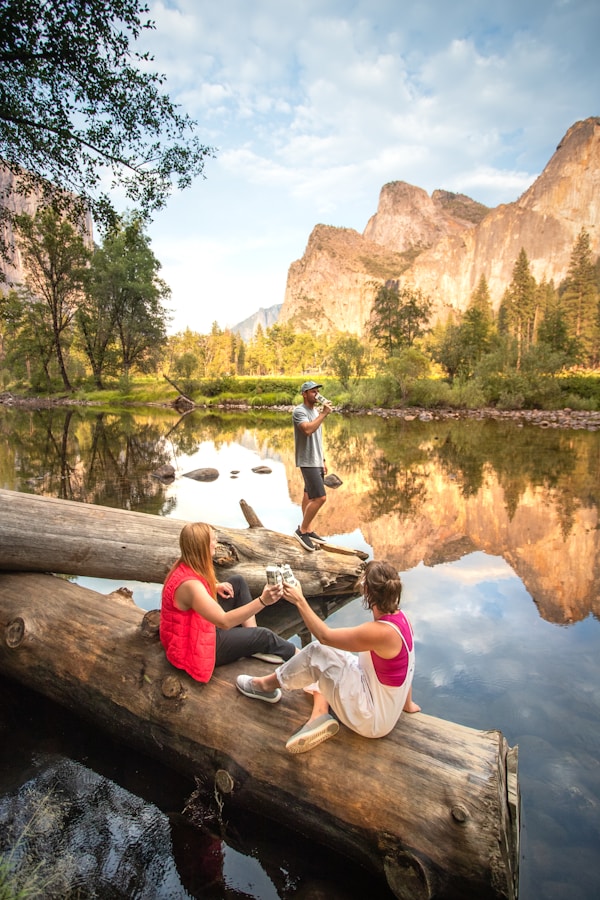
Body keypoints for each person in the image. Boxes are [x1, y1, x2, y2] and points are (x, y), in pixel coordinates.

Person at [236, 560, 420, 753]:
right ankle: (320, 713)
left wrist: (299, 600)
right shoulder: (402, 620)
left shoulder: (379, 631)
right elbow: (408, 664)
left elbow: (325, 636)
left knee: (317, 652)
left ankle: (264, 686)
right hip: (383, 707)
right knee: (333, 656)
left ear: (367, 591)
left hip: (372, 721)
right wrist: (407, 704)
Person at [160, 522, 297, 683]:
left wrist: (215, 586)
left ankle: (252, 641)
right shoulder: (191, 586)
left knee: (237, 583)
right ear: (202, 546)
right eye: (213, 539)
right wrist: (263, 601)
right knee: (264, 636)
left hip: (194, 630)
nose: (217, 542)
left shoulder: (185, 564)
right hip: (194, 648)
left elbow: (195, 593)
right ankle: (301, 656)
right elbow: (224, 622)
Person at [292, 380, 332, 551]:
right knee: (321, 498)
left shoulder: (315, 411)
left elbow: (318, 438)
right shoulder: (299, 411)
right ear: (304, 394)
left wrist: (322, 460)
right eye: (313, 391)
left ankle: (307, 529)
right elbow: (307, 430)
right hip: (307, 461)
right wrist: (323, 415)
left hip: (316, 460)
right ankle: (301, 531)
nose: (316, 394)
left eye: (317, 391)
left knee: (308, 495)